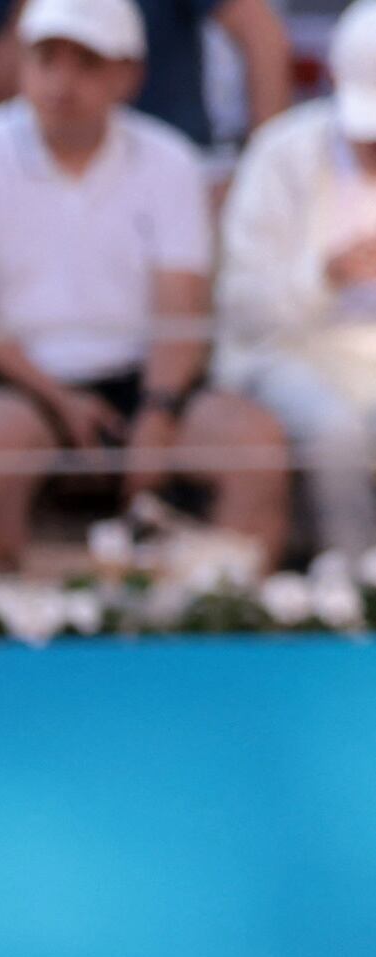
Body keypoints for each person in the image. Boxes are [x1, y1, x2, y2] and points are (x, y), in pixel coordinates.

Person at [0, 0, 287, 571]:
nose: (62, 80)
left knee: (255, 446)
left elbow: (179, 305)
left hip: (138, 384)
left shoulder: (170, 160)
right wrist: (60, 400)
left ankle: (223, 625)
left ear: (128, 75)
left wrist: (157, 413)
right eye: (47, 58)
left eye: (86, 62)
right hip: (10, 381)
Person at [217, 0, 376, 558]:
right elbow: (245, 311)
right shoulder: (280, 154)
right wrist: (326, 275)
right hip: (288, 353)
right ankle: (356, 591)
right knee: (336, 435)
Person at [0, 0, 289, 152]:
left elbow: (261, 36)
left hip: (177, 163)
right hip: (51, 165)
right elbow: (8, 68)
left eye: (88, 61)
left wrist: (259, 167)